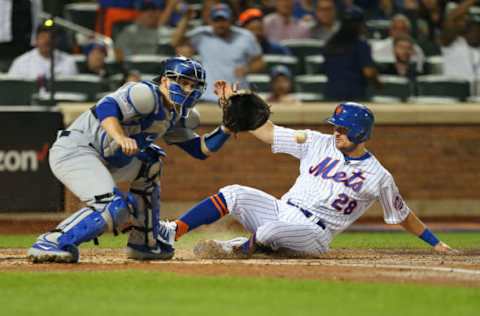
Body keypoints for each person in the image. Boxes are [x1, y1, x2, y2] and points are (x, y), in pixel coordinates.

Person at [157, 82, 456, 258]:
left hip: (315, 233)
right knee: (234, 193)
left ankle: (233, 249)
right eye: (336, 126)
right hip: (282, 209)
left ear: (361, 133)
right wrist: (236, 103)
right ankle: (173, 232)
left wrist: (436, 243)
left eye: (343, 129)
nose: (336, 132)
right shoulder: (316, 141)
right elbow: (268, 133)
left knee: (269, 231)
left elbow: (402, 214)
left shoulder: (379, 176)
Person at [27, 56, 233, 263]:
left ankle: (143, 242)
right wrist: (120, 137)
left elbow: (200, 150)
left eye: (193, 85)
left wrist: (227, 127)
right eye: (182, 82)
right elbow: (105, 108)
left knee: (150, 162)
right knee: (113, 206)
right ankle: (52, 241)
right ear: (164, 80)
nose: (187, 89)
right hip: (76, 150)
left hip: (107, 158)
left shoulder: (179, 115)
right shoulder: (145, 94)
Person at [171, 3, 264, 102]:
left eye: (224, 20)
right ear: (210, 21)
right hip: (209, 97)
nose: (220, 24)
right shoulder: (202, 35)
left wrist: (247, 69)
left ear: (231, 20)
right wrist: (186, 19)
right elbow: (175, 42)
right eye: (216, 20)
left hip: (238, 98)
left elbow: (259, 62)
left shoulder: (245, 36)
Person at [322, 6, 380, 101]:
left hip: (331, 94)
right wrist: (379, 84)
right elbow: (368, 72)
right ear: (360, 24)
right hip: (354, 94)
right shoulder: (360, 44)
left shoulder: (330, 43)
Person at [7, 23, 78, 79]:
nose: (47, 40)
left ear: (57, 40)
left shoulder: (68, 61)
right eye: (43, 37)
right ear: (36, 40)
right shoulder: (21, 62)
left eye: (52, 37)